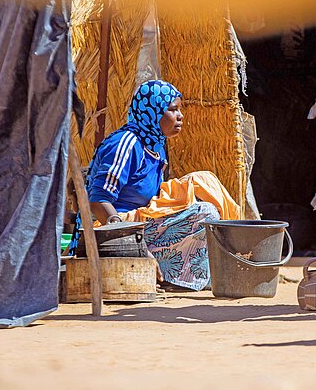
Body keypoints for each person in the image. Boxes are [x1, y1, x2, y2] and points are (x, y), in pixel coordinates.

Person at [82, 80, 222, 291]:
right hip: (113, 231)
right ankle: (165, 274)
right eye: (172, 109)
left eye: (179, 110)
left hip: (139, 226)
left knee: (204, 197)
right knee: (205, 214)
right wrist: (134, 248)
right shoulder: (126, 143)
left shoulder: (155, 146)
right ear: (152, 111)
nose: (180, 116)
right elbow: (98, 202)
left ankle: (173, 276)